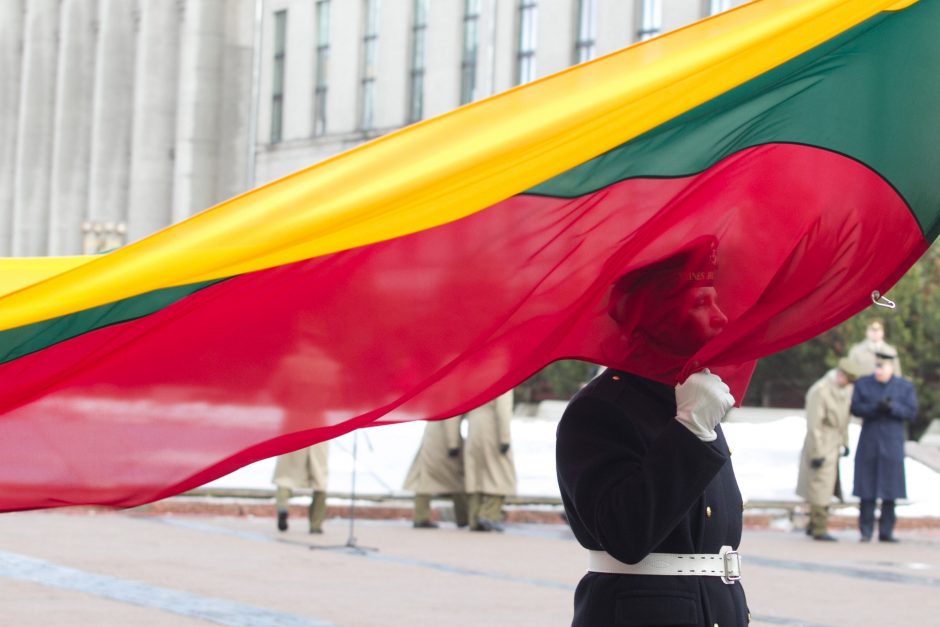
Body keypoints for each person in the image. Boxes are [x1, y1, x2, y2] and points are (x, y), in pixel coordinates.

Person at [556, 236, 750, 626]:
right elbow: (625, 534)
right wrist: (691, 430)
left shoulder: (686, 396)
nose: (720, 317)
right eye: (700, 303)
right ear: (656, 315)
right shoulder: (600, 408)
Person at [851, 353, 917, 542]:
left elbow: (911, 412)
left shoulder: (904, 386)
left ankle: (886, 531)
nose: (878, 371)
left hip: (892, 441)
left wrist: (892, 407)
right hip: (870, 440)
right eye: (877, 367)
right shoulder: (864, 384)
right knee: (867, 489)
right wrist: (874, 408)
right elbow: (855, 407)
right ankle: (865, 530)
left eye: (883, 367)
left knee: (891, 489)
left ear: (891, 368)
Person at [796, 358, 862, 541]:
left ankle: (814, 525)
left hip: (834, 442)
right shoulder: (821, 390)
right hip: (821, 442)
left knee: (827, 485)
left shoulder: (844, 389)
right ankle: (819, 528)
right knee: (820, 486)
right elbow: (814, 424)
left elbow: (844, 420)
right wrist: (817, 452)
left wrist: (845, 442)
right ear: (841, 375)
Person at [403, 416, 469, 528]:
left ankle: (420, 517)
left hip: (431, 436)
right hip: (443, 441)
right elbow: (451, 418)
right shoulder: (452, 397)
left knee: (425, 478)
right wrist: (453, 444)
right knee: (457, 480)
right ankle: (464, 518)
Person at [464, 390, 516, 532]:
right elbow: (503, 410)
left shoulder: (476, 378)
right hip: (492, 429)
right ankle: (489, 515)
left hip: (474, 428)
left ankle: (474, 520)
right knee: (500, 474)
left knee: (476, 477)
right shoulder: (504, 378)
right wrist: (504, 438)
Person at [272, 442, 330, 533]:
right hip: (319, 434)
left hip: (294, 434)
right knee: (319, 480)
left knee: (285, 477)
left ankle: (282, 508)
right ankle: (316, 525)